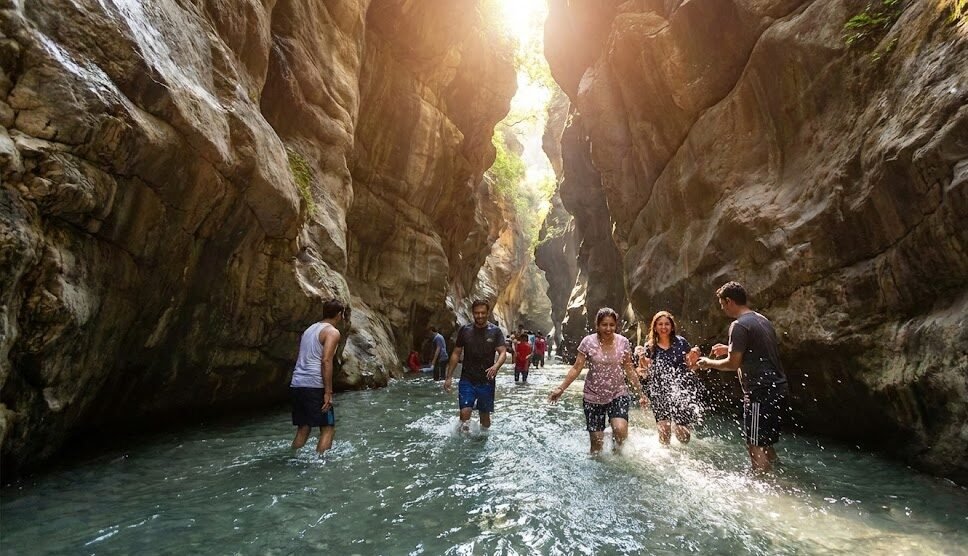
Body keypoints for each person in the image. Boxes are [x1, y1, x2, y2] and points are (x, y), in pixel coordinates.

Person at [690, 281, 789, 471]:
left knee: (754, 444)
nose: (722, 309)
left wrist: (707, 363)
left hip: (760, 392)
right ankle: (777, 475)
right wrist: (729, 349)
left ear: (729, 301)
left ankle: (763, 485)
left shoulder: (739, 325)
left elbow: (733, 364)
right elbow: (759, 351)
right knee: (765, 442)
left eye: (722, 304)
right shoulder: (761, 320)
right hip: (778, 388)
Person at [547, 307, 648, 454]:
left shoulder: (623, 342)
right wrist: (561, 388)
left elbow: (629, 368)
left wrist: (641, 393)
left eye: (612, 325)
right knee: (596, 447)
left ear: (616, 325)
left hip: (617, 393)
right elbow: (576, 368)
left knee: (620, 430)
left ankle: (617, 456)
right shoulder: (588, 342)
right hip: (593, 396)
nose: (608, 328)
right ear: (598, 325)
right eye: (604, 325)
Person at [290, 298, 346, 454]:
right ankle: (321, 465)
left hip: (297, 383)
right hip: (315, 385)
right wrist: (328, 392)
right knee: (328, 428)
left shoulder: (309, 329)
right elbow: (326, 360)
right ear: (340, 314)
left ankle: (293, 457)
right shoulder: (332, 332)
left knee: (304, 428)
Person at [637, 311, 701, 446]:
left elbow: (691, 366)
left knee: (683, 436)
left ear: (672, 327)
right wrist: (643, 395)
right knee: (664, 433)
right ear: (655, 327)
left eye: (667, 324)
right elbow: (644, 372)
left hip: (681, 391)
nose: (663, 327)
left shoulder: (681, 342)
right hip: (659, 392)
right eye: (660, 324)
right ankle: (667, 459)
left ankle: (681, 442)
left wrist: (695, 357)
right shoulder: (649, 347)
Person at [444, 300, 508, 431]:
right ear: (472, 313)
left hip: (487, 379)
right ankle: (463, 442)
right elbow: (456, 353)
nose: (480, 316)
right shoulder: (465, 330)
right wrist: (449, 376)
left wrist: (496, 367)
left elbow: (502, 352)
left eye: (482, 313)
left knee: (484, 415)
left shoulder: (495, 331)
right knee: (465, 412)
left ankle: (482, 441)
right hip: (467, 378)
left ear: (487, 313)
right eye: (476, 313)